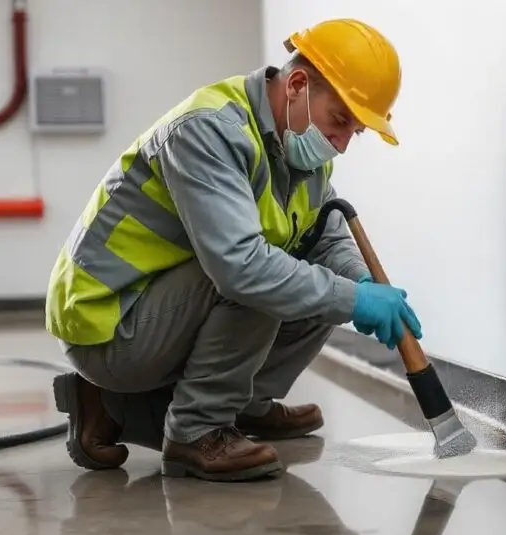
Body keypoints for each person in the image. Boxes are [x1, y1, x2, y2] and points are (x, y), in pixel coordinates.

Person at [44, 18, 423, 482]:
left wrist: (361, 283)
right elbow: (240, 268)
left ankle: (239, 407)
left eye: (355, 132)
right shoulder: (209, 130)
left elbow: (323, 237)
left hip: (156, 312)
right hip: (108, 323)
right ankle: (195, 432)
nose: (341, 144)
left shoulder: (298, 149)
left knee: (320, 284)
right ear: (298, 85)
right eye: (340, 120)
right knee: (255, 273)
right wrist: (353, 299)